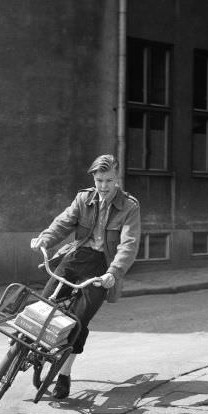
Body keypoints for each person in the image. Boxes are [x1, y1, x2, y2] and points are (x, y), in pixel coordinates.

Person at [30, 154, 141, 399]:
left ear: (117, 178)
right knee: (45, 304)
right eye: (99, 180)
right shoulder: (84, 198)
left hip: (104, 267)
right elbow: (63, 223)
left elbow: (129, 244)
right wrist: (45, 240)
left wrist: (114, 273)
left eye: (109, 181)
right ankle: (35, 350)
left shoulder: (129, 207)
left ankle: (64, 374)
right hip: (77, 257)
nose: (103, 186)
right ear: (94, 178)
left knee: (79, 323)